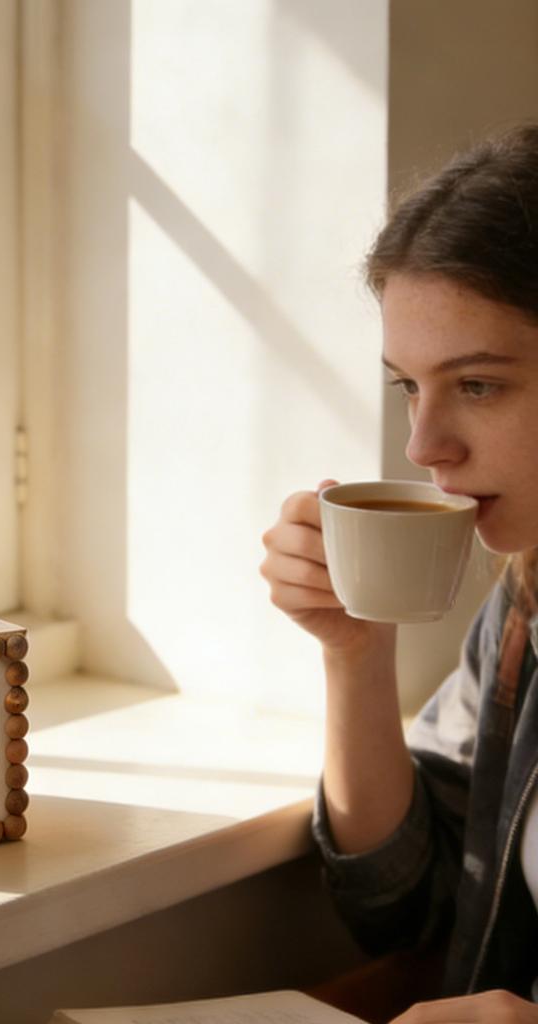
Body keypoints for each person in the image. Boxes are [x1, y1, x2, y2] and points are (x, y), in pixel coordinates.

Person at [260, 123, 538, 1023]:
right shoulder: (525, 612)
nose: (423, 445)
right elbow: (408, 905)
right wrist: (355, 651)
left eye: (479, 385)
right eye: (409, 386)